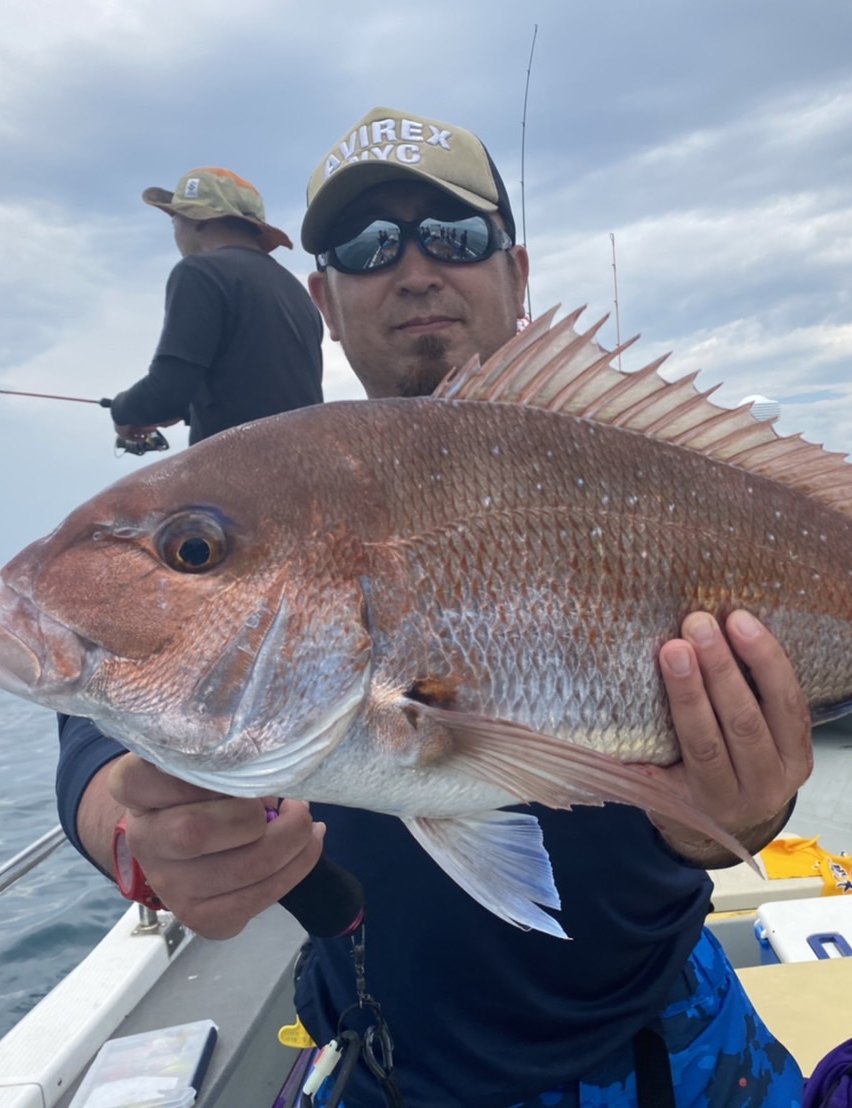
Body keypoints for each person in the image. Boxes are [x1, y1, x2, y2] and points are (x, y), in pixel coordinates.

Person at [56, 107, 812, 1107]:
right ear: (324, 301)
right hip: (380, 1055)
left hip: (660, 1023)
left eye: (455, 233)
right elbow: (101, 725)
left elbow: (735, 821)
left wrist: (738, 816)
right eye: (366, 244)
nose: (414, 268)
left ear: (517, 273)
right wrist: (143, 835)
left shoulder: (649, 468)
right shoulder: (290, 491)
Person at [106, 166, 324, 446]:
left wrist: (121, 409)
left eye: (175, 220)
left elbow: (166, 393)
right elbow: (262, 388)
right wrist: (189, 410)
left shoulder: (198, 272)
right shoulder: (294, 290)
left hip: (237, 467)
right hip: (305, 462)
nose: (175, 231)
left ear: (196, 219)